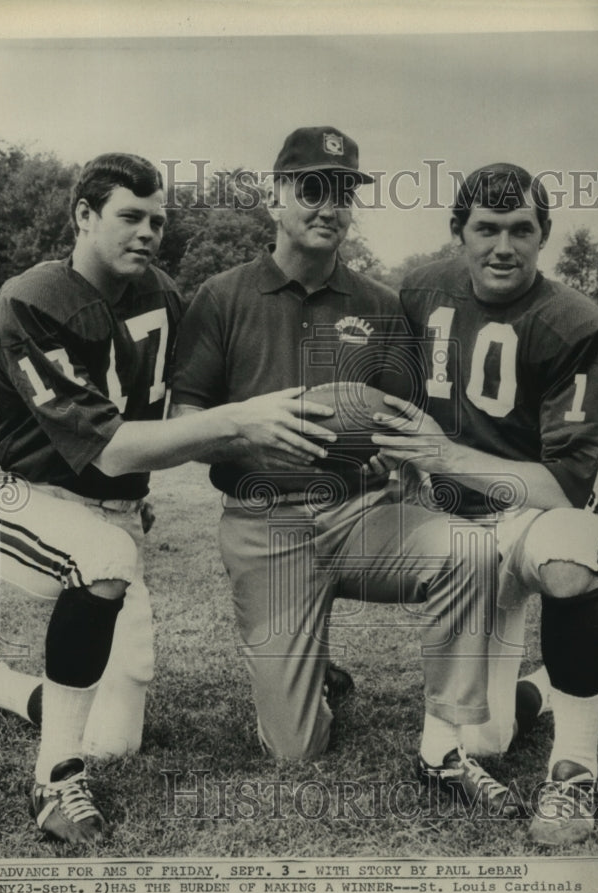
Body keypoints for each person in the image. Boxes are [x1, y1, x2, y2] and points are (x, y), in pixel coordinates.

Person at [0, 152, 339, 846]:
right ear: (83, 216)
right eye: (130, 217)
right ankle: (54, 783)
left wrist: (298, 444)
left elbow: (185, 425)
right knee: (106, 558)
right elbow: (109, 447)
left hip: (113, 516)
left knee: (114, 741)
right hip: (30, 504)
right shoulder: (30, 298)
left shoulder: (164, 297)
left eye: (158, 220)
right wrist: (239, 422)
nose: (148, 232)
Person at [169, 126, 515, 815]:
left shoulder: (378, 305)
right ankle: (316, 680)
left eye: (344, 193)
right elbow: (182, 426)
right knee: (294, 752)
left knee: (468, 550)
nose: (329, 207)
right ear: (276, 197)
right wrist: (244, 434)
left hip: (360, 511)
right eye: (312, 189)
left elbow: (405, 416)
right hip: (264, 521)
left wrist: (402, 448)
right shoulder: (221, 296)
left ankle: (442, 747)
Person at [372, 162, 598, 846]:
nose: (501, 246)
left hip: (531, 518)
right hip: (455, 535)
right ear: (458, 232)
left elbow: (563, 484)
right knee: (483, 744)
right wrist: (391, 457)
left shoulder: (575, 321)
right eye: (485, 229)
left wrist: (442, 456)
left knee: (571, 551)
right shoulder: (420, 292)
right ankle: (544, 686)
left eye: (520, 229)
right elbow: (396, 395)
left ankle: (572, 771)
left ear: (544, 234)